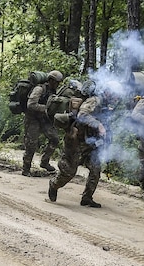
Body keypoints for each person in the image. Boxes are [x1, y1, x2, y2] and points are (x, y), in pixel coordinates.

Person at [47, 80, 112, 208]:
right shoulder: (95, 100)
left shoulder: (105, 103)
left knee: (95, 169)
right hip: (76, 139)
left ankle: (87, 198)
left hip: (90, 142)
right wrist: (98, 125)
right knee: (69, 171)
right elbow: (82, 115)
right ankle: (54, 184)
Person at [22, 70, 64, 176]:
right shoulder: (39, 89)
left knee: (54, 139)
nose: (57, 84)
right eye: (56, 82)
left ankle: (44, 162)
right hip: (32, 119)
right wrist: (46, 109)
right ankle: (26, 169)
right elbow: (31, 104)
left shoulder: (53, 91)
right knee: (31, 144)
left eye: (58, 82)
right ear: (50, 80)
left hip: (44, 119)